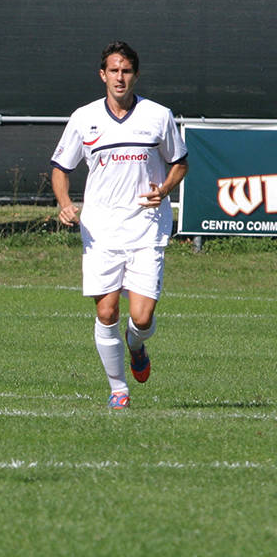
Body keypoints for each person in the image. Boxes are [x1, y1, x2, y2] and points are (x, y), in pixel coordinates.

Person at [50, 41, 188, 410]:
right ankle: (118, 390)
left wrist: (166, 188)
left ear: (136, 75)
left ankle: (137, 346)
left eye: (126, 70)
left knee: (141, 319)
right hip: (101, 231)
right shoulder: (84, 118)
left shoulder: (158, 115)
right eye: (113, 70)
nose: (120, 77)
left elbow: (180, 162)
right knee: (107, 312)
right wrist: (65, 204)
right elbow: (61, 169)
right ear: (102, 75)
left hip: (146, 228)